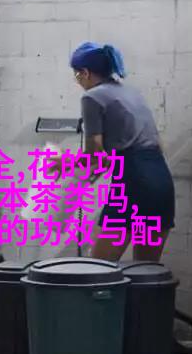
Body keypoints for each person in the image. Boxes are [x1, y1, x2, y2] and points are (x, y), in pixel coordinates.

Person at [67, 42, 175, 262]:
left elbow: (95, 156)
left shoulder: (92, 97)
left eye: (76, 74)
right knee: (146, 271)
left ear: (85, 72)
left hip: (133, 183)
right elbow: (145, 146)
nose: (77, 81)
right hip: (161, 181)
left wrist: (65, 163)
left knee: (98, 268)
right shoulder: (130, 92)